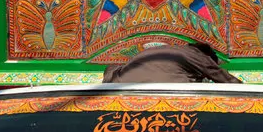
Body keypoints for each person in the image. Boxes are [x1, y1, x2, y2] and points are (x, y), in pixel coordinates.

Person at [102, 42, 242, 84]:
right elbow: (221, 76)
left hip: (122, 86)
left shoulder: (161, 51)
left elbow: (111, 69)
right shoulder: (195, 54)